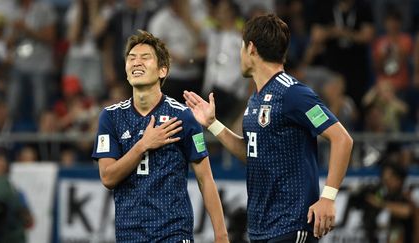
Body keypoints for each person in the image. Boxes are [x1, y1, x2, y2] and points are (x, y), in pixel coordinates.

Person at [184, 14, 353, 242]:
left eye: (241, 47)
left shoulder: (293, 93)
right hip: (262, 228)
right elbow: (254, 155)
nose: (240, 54)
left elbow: (342, 139)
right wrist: (213, 124)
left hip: (291, 224)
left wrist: (328, 198)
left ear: (251, 48)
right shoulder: (256, 99)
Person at [92, 30, 228, 243]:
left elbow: (205, 179)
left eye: (145, 58)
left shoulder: (182, 116)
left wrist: (221, 236)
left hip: (173, 234)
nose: (136, 63)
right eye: (131, 58)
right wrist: (143, 145)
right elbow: (108, 178)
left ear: (162, 70)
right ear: (126, 70)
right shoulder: (111, 117)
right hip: (129, 235)